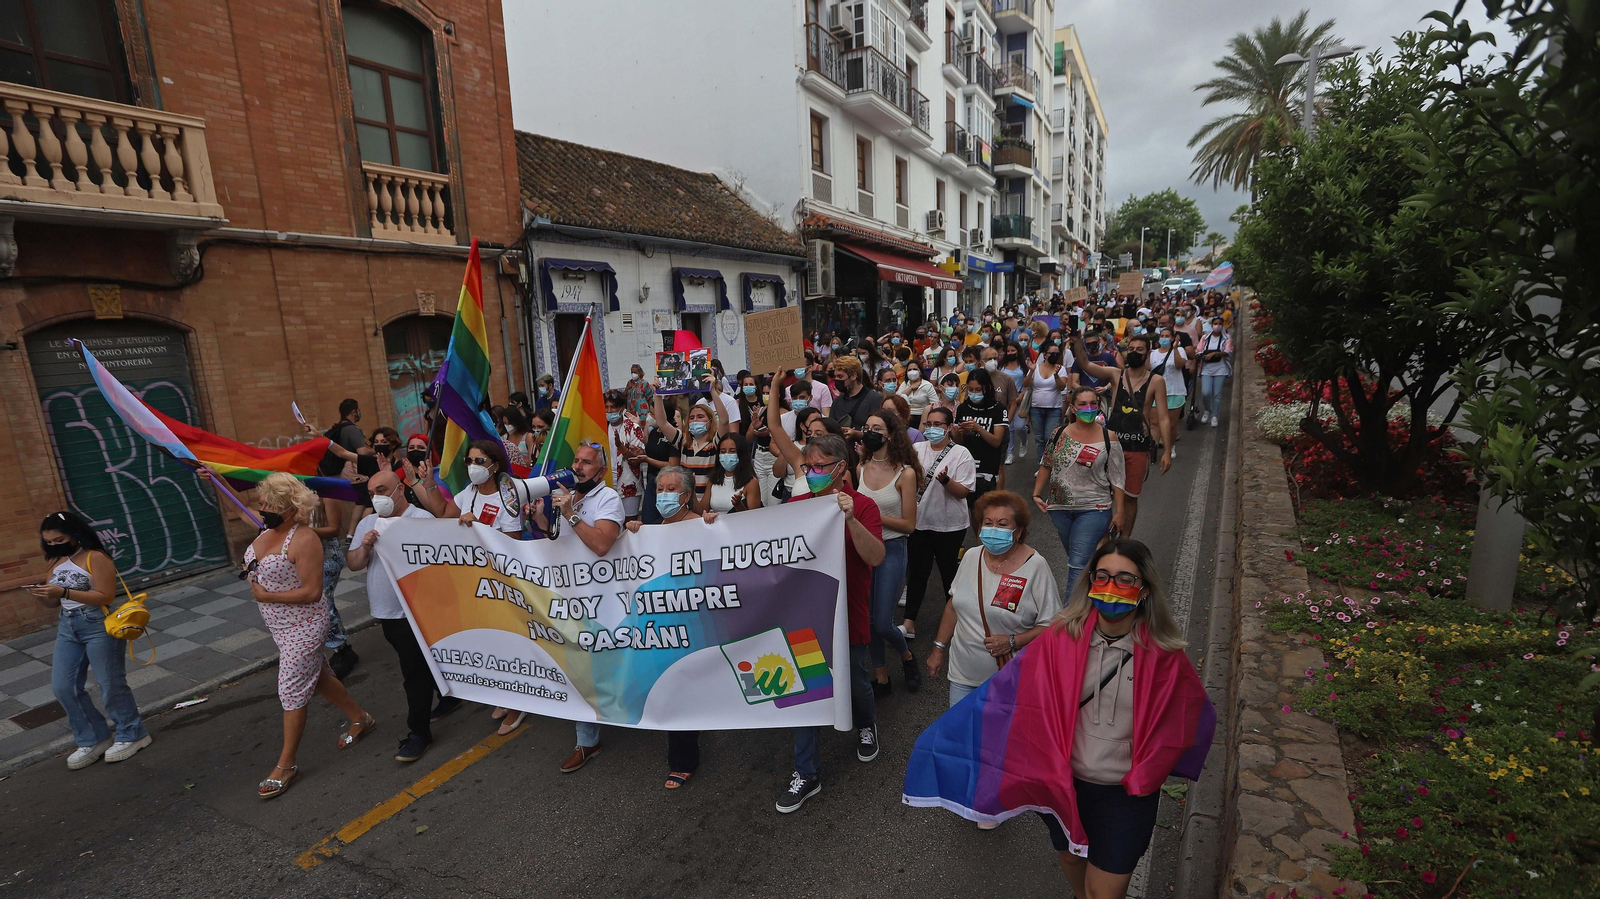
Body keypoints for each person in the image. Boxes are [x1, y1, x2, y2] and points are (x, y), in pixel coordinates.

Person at [765, 430, 884, 813]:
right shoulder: (797, 506)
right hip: (804, 618)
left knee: (855, 681)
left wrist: (850, 521)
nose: (812, 472)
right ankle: (807, 772)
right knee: (806, 690)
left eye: (819, 466)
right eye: (808, 466)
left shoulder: (863, 506)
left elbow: (875, 557)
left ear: (840, 467)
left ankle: (866, 723)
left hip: (847, 613)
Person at [241, 473, 374, 799]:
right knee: (318, 678)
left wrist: (267, 596)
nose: (262, 508)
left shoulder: (304, 540)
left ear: (290, 509)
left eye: (269, 504)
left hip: (304, 627)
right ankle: (361, 718)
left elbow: (314, 593)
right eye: (262, 502)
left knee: (291, 689)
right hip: (279, 627)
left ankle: (287, 765)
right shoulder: (264, 529)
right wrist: (215, 477)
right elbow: (239, 509)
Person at [29, 511, 152, 769]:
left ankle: (133, 733)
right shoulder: (55, 561)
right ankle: (93, 738)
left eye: (59, 540)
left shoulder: (95, 557)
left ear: (74, 534)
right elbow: (55, 602)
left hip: (97, 623)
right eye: (48, 542)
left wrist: (63, 591)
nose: (54, 545)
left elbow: (106, 596)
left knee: (110, 683)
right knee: (63, 686)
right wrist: (45, 596)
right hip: (68, 625)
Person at [345, 471, 451, 762]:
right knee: (422, 663)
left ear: (400, 490)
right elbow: (353, 563)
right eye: (371, 493)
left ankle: (419, 733)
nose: (377, 498)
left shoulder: (422, 520)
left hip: (419, 610)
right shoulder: (368, 523)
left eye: (382, 490)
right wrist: (365, 546)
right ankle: (449, 696)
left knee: (413, 672)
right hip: (387, 612)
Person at [624, 465, 717, 788]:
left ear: (687, 496)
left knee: (694, 682)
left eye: (671, 489)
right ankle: (683, 756)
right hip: (666, 624)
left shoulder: (703, 526)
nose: (663, 495)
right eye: (659, 489)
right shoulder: (653, 531)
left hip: (698, 619)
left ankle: (688, 752)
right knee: (676, 683)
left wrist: (714, 525)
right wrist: (636, 534)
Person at [925, 490, 1057, 704]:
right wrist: (938, 648)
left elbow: (1051, 624)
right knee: (961, 726)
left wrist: (1013, 641)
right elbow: (953, 606)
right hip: (962, 674)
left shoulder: (1035, 567)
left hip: (1008, 678)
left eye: (1002, 524)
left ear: (1018, 531)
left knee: (999, 727)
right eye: (988, 523)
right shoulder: (971, 557)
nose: (993, 530)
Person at [548, 442, 626, 772]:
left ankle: (641, 712)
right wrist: (540, 513)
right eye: (576, 461)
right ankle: (587, 740)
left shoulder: (607, 498)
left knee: (609, 663)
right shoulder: (567, 495)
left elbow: (602, 544)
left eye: (586, 462)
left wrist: (570, 513)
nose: (578, 467)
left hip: (602, 599)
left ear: (602, 470)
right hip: (571, 596)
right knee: (581, 666)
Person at [1070, 333, 1172, 538]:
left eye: (1139, 350)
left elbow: (1163, 418)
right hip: (1112, 446)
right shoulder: (1116, 375)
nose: (1134, 353)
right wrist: (1076, 340)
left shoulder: (1156, 381)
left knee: (1130, 498)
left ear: (1148, 353)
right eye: (1131, 349)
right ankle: (1104, 535)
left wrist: (1167, 451)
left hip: (1137, 449)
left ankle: (1124, 540)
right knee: (1104, 495)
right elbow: (1085, 364)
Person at [1033, 387, 1128, 597]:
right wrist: (1036, 494)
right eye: (1083, 404)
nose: (1089, 408)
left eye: (1093, 403)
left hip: (1094, 508)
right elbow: (1046, 464)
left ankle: (1070, 613)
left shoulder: (1109, 438)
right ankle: (1095, 597)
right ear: (1073, 408)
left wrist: (1120, 512)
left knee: (1077, 564)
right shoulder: (1058, 433)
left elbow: (1117, 479)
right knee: (1082, 562)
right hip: (1060, 509)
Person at [856, 410, 920, 695]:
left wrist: (870, 514)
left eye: (877, 428)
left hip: (892, 549)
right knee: (867, 620)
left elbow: (909, 525)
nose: (870, 432)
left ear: (891, 435)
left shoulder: (905, 473)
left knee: (882, 622)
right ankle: (881, 677)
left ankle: (906, 656)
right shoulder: (861, 468)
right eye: (867, 427)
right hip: (862, 550)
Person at [903, 407, 975, 641]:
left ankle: (954, 622)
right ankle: (909, 622)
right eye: (928, 424)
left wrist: (945, 480)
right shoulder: (916, 449)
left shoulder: (961, 453)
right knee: (917, 572)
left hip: (950, 525)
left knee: (949, 574)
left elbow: (963, 492)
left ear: (949, 427)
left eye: (938, 424)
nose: (932, 429)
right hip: (919, 523)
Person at [653, 386, 722, 500]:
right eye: (691, 417)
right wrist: (658, 394)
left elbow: (724, 421)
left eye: (700, 417)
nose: (695, 420)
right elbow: (662, 423)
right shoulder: (683, 441)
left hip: (710, 499)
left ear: (710, 421)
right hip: (687, 499)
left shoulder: (716, 441)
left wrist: (712, 391)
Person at [953, 370, 1007, 506]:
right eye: (970, 389)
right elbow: (959, 442)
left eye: (978, 389)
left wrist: (978, 428)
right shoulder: (963, 408)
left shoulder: (999, 409)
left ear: (987, 387)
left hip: (988, 466)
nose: (974, 393)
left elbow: (996, 441)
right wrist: (958, 433)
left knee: (985, 507)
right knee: (970, 508)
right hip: (967, 464)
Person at [605, 389, 647, 519]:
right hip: (606, 483)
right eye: (606, 407)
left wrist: (620, 447)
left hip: (628, 484)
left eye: (613, 407)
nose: (609, 411)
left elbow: (636, 460)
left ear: (622, 408)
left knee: (629, 522)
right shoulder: (600, 427)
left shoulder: (633, 428)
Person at [1148, 327, 1189, 458]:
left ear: (1172, 338)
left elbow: (1180, 365)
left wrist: (1175, 348)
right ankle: (1153, 449)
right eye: (1162, 336)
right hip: (1156, 392)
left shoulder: (1180, 350)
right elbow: (1147, 369)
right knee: (1154, 423)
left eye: (1167, 336)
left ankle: (1170, 447)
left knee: (1171, 424)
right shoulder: (1153, 353)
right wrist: (1147, 353)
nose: (1164, 338)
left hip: (1174, 392)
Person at [700, 431, 762, 514]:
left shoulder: (751, 482)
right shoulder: (713, 480)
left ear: (741, 454)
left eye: (732, 451)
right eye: (723, 451)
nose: (726, 455)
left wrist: (738, 505)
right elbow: (701, 512)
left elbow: (754, 517)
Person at [826, 354, 882, 438]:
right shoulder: (837, 402)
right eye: (835, 376)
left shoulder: (874, 399)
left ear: (853, 376)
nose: (837, 380)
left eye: (840, 376)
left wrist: (857, 434)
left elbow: (877, 433)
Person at [1196, 315, 1232, 427]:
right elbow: (1199, 350)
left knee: (1217, 394)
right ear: (1211, 325)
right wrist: (1201, 355)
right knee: (1205, 392)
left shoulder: (1227, 338)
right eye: (1215, 324)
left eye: (1220, 324)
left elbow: (1228, 351)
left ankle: (1215, 415)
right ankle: (1207, 410)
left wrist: (1216, 353)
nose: (1217, 326)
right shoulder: (1205, 337)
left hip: (1220, 369)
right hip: (1206, 368)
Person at [897, 361, 937, 428]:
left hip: (923, 417)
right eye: (909, 370)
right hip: (906, 417)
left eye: (915, 369)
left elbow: (935, 403)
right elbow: (897, 399)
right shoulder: (904, 384)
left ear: (920, 372)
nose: (912, 372)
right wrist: (910, 388)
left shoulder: (927, 385)